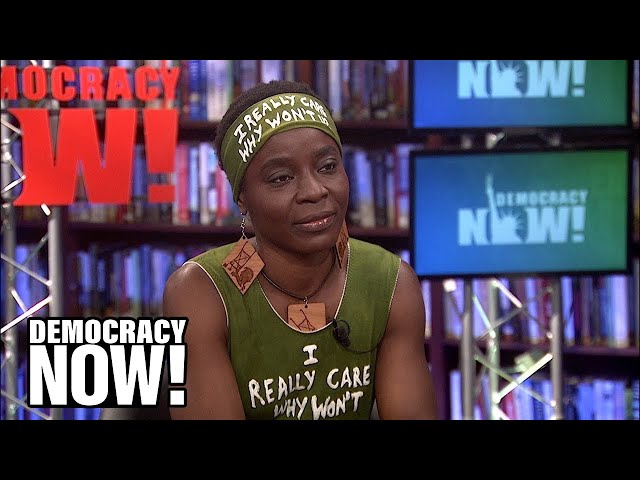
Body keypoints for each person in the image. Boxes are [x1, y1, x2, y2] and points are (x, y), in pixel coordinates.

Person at [163, 79, 437, 420]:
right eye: (281, 178)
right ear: (242, 197)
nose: (314, 191)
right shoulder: (201, 291)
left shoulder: (391, 282)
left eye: (328, 167)